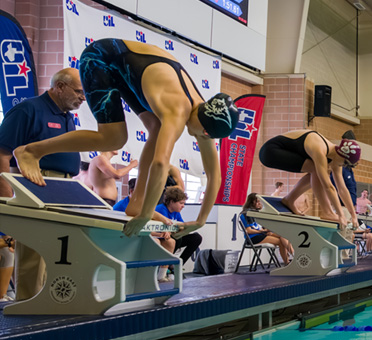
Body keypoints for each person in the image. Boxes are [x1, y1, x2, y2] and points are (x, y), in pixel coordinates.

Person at [13, 40, 239, 238]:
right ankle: (31, 151)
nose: (202, 138)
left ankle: (137, 204)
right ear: (205, 125)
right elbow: (160, 164)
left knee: (155, 127)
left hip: (129, 68)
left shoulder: (205, 116)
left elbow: (214, 175)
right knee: (113, 138)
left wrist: (200, 221)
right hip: (101, 58)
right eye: (203, 134)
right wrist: (145, 216)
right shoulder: (178, 109)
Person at [0, 68, 85, 302]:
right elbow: (2, 153)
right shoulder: (28, 110)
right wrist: (8, 196)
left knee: (58, 251)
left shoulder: (67, 116)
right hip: (36, 183)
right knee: (34, 251)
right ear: (59, 87)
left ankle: (49, 304)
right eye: (79, 91)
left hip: (65, 187)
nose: (83, 97)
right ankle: (29, 308)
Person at [258, 130, 361, 226]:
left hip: (282, 151)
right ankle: (327, 212)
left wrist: (353, 216)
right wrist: (340, 216)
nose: (344, 166)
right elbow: (328, 187)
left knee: (316, 169)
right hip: (269, 151)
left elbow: (342, 189)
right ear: (342, 155)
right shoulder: (320, 149)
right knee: (316, 169)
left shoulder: (336, 158)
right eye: (346, 163)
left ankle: (289, 200)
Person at [153, 187, 203, 282]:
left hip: (169, 236)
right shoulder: (161, 209)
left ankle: (177, 265)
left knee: (196, 238)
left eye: (184, 203)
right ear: (171, 202)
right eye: (181, 203)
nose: (183, 206)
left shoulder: (176, 212)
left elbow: (182, 226)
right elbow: (165, 228)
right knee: (177, 239)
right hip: (160, 238)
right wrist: (176, 229)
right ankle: (168, 265)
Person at [239, 193, 293, 264]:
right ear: (251, 202)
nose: (259, 203)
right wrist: (262, 231)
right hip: (253, 238)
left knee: (283, 235)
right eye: (257, 202)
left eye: (259, 201)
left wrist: (269, 231)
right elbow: (248, 231)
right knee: (280, 242)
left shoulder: (257, 212)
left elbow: (263, 226)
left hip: (262, 234)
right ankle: (289, 260)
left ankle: (292, 256)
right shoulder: (245, 213)